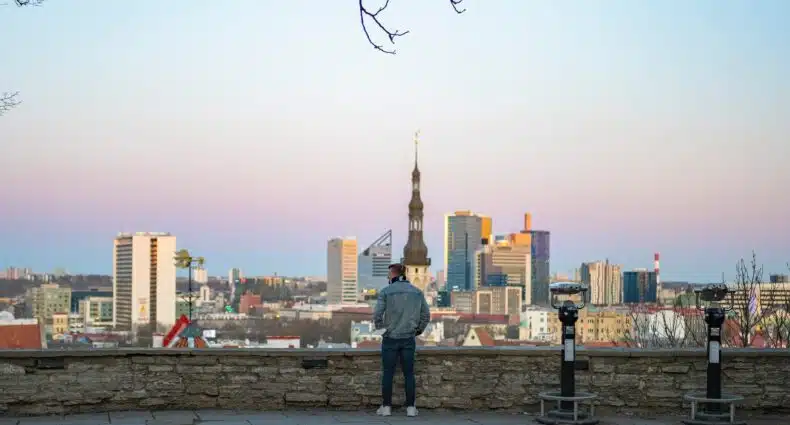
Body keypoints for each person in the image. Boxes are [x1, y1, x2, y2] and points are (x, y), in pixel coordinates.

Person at [373, 263, 431, 417]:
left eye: (388, 274)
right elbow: (426, 315)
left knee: (388, 373)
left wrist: (382, 330)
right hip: (408, 338)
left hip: (390, 337)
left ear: (393, 274)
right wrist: (417, 330)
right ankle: (411, 408)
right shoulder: (417, 292)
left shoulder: (385, 292)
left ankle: (386, 408)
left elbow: (377, 315)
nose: (387, 277)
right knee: (409, 373)